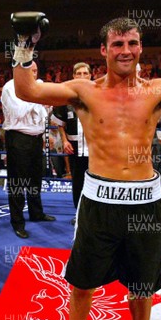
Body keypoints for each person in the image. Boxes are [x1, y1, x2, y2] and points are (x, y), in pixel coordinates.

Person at [9, 3, 161, 320]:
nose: (125, 51)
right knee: (83, 282)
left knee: (142, 284)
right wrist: (24, 45)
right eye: (117, 44)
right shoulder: (85, 92)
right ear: (103, 50)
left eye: (132, 43)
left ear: (141, 47)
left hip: (145, 202)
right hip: (99, 201)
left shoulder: (157, 90)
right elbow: (28, 91)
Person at [1, 61, 57, 239]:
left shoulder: (38, 86)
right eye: (30, 71)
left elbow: (43, 114)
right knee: (17, 182)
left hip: (36, 138)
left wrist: (45, 105)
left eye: (35, 70)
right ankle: (17, 221)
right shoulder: (10, 87)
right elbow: (19, 113)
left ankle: (36, 212)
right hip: (18, 138)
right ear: (20, 72)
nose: (34, 74)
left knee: (35, 178)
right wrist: (38, 98)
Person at [52, 62, 92, 216]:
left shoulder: (99, 96)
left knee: (94, 181)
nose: (82, 77)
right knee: (77, 181)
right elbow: (59, 122)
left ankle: (93, 216)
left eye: (85, 73)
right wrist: (64, 140)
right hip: (74, 147)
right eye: (79, 74)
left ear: (90, 75)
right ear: (74, 76)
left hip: (94, 148)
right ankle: (79, 214)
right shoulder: (67, 97)